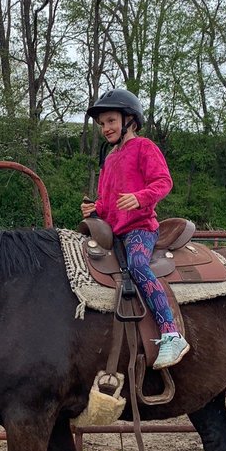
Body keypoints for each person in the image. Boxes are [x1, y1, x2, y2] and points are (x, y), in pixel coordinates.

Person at [80, 89, 190, 370]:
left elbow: (164, 181)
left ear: (129, 119)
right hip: (113, 232)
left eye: (111, 121)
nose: (106, 128)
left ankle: (171, 333)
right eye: (102, 124)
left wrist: (140, 197)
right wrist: (95, 209)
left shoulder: (144, 147)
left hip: (140, 229)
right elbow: (107, 202)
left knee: (138, 264)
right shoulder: (109, 159)